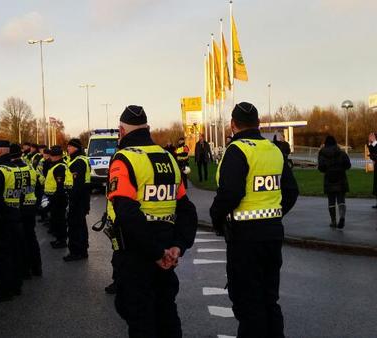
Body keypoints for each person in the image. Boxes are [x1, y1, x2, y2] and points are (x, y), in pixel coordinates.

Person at [107, 105, 198, 337]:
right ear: (148, 128)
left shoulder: (124, 159)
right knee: (166, 314)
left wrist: (156, 253)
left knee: (139, 318)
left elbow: (127, 213)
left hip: (137, 254)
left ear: (121, 131)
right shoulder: (168, 158)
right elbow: (186, 209)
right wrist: (178, 245)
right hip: (167, 251)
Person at [210, 102, 299, 338]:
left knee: (248, 304)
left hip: (244, 238)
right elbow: (291, 191)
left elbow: (229, 193)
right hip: (272, 235)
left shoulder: (237, 150)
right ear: (258, 124)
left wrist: (216, 220)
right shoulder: (273, 150)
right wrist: (274, 214)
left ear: (232, 125)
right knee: (269, 300)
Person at [0, 140, 24, 302]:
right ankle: (16, 285)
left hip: (2, 220)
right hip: (15, 215)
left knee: (3, 256)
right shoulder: (16, 168)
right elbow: (20, 194)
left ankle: (5, 290)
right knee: (15, 253)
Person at [9, 144, 42, 277]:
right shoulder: (30, 167)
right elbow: (38, 185)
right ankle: (37, 268)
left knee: (19, 240)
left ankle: (25, 270)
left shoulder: (12, 170)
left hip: (19, 207)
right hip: (31, 206)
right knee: (31, 237)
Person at [64, 138, 91, 261]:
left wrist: (72, 200)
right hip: (83, 198)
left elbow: (77, 185)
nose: (68, 149)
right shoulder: (82, 159)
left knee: (75, 226)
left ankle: (76, 252)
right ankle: (83, 250)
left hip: (77, 199)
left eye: (69, 147)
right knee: (81, 225)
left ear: (75, 147)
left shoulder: (77, 162)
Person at [318, 135, 351, 229]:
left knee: (331, 201)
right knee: (341, 200)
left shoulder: (322, 153)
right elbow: (348, 165)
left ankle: (333, 221)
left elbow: (321, 167)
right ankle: (342, 217)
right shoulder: (341, 152)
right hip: (341, 178)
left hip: (329, 178)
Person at [46, 145, 73, 249]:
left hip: (58, 198)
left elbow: (60, 185)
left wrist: (56, 198)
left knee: (60, 220)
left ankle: (61, 241)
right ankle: (58, 239)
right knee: (56, 219)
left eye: (51, 156)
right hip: (55, 197)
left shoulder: (59, 167)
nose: (50, 158)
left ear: (56, 156)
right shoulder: (56, 165)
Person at [368, 132, 377, 209]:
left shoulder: (376, 144)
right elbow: (371, 152)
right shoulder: (373, 144)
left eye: (371, 136)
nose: (370, 137)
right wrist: (370, 143)